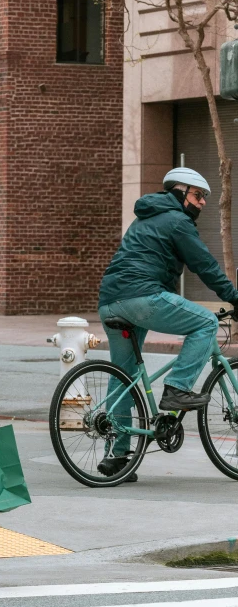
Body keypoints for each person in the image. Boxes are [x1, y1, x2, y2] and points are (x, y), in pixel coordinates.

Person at [98, 167, 238, 480]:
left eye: (204, 198)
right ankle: (177, 389)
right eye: (198, 195)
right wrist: (234, 298)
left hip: (110, 301)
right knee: (204, 323)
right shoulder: (177, 221)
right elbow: (205, 265)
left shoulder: (146, 217)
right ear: (179, 191)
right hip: (143, 297)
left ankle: (117, 456)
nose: (202, 203)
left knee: (123, 377)